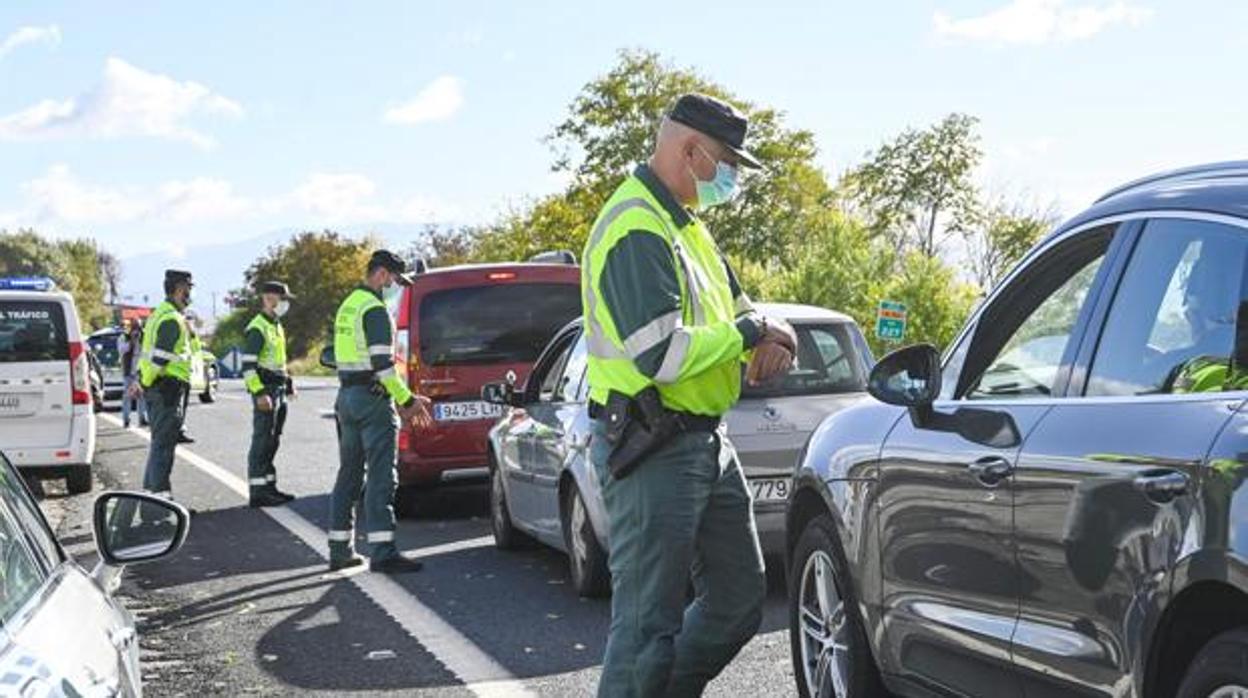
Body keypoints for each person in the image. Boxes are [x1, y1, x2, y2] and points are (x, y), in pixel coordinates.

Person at [582, 93, 797, 697]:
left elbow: (743, 309)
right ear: (690, 150)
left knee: (737, 600)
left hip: (705, 440)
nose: (730, 176)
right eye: (727, 161)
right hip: (651, 445)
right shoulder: (636, 227)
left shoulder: (688, 227)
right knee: (646, 627)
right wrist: (749, 334)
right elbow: (662, 355)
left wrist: (774, 332)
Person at [327, 250, 434, 574]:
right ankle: (383, 551)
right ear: (383, 274)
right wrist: (406, 400)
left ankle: (339, 549)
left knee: (349, 474)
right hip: (373, 401)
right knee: (381, 476)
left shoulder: (349, 304)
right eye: (396, 281)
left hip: (347, 397)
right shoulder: (374, 310)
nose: (396, 288)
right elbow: (383, 366)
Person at [129, 269, 196, 502]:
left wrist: (141, 381)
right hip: (167, 389)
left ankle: (155, 500)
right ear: (179, 289)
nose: (190, 293)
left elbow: (147, 355)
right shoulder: (170, 319)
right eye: (188, 288)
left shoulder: (160, 314)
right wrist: (145, 382)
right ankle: (158, 507)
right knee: (163, 448)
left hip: (160, 387)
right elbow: (159, 359)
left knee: (160, 446)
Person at [242, 281, 298, 508]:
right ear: (268, 298)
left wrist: (289, 382)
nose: (285, 304)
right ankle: (258, 492)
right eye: (282, 298)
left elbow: (278, 361)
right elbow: (248, 368)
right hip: (266, 391)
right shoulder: (257, 328)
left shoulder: (276, 325)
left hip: (279, 389)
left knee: (273, 440)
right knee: (262, 440)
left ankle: (269, 486)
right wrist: (259, 393)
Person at [118, 319, 147, 428]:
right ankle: (126, 419)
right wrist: (132, 341)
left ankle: (142, 418)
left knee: (142, 396)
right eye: (134, 329)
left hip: (141, 371)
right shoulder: (123, 337)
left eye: (138, 328)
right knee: (127, 396)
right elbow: (122, 350)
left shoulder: (144, 337)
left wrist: (141, 340)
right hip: (129, 371)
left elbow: (147, 351)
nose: (136, 332)